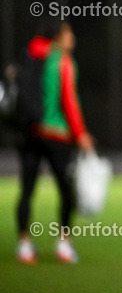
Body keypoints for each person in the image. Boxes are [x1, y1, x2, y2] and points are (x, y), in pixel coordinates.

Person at [16, 21, 94, 264]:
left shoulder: (30, 55)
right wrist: (80, 134)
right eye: (69, 33)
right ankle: (64, 243)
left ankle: (24, 244)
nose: (73, 37)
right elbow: (69, 101)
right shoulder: (63, 61)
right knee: (66, 191)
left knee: (27, 190)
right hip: (58, 135)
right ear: (58, 37)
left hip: (30, 131)